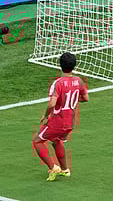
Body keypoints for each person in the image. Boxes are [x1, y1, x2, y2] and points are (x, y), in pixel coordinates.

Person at [32, 52, 88, 181]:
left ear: (60, 65)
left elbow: (52, 103)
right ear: (74, 65)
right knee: (57, 141)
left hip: (58, 120)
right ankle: (65, 169)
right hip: (70, 122)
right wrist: (71, 99)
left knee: (37, 141)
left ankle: (53, 167)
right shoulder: (78, 81)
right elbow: (85, 98)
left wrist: (45, 116)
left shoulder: (58, 83)